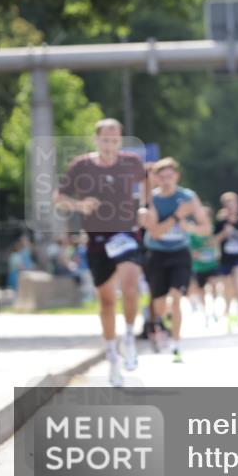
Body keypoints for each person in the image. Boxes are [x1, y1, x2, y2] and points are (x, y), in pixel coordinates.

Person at [54, 118, 147, 386]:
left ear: (120, 139)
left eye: (114, 140)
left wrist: (145, 207)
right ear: (96, 140)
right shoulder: (81, 166)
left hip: (126, 233)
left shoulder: (131, 162)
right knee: (106, 301)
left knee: (130, 285)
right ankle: (112, 357)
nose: (110, 145)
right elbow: (59, 198)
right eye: (105, 140)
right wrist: (79, 205)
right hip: (96, 238)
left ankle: (129, 335)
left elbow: (146, 183)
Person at [139, 157, 210, 363]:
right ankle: (163, 321)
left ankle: (177, 344)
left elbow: (205, 228)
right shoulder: (152, 200)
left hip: (180, 253)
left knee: (177, 297)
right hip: (157, 254)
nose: (167, 180)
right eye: (162, 177)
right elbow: (157, 233)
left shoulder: (188, 197)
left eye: (170, 176)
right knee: (160, 306)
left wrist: (191, 228)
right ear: (157, 179)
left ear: (177, 176)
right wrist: (177, 217)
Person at [213, 192, 238, 331]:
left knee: (237, 282)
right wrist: (224, 233)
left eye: (234, 204)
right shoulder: (220, 222)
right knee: (227, 287)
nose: (232, 207)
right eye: (229, 204)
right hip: (225, 259)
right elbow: (213, 240)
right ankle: (228, 310)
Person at [188, 206, 220, 327]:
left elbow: (216, 242)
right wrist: (194, 254)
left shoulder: (212, 229)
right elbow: (189, 248)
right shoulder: (193, 231)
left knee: (213, 286)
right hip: (198, 267)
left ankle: (215, 310)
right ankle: (206, 313)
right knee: (201, 291)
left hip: (212, 265)